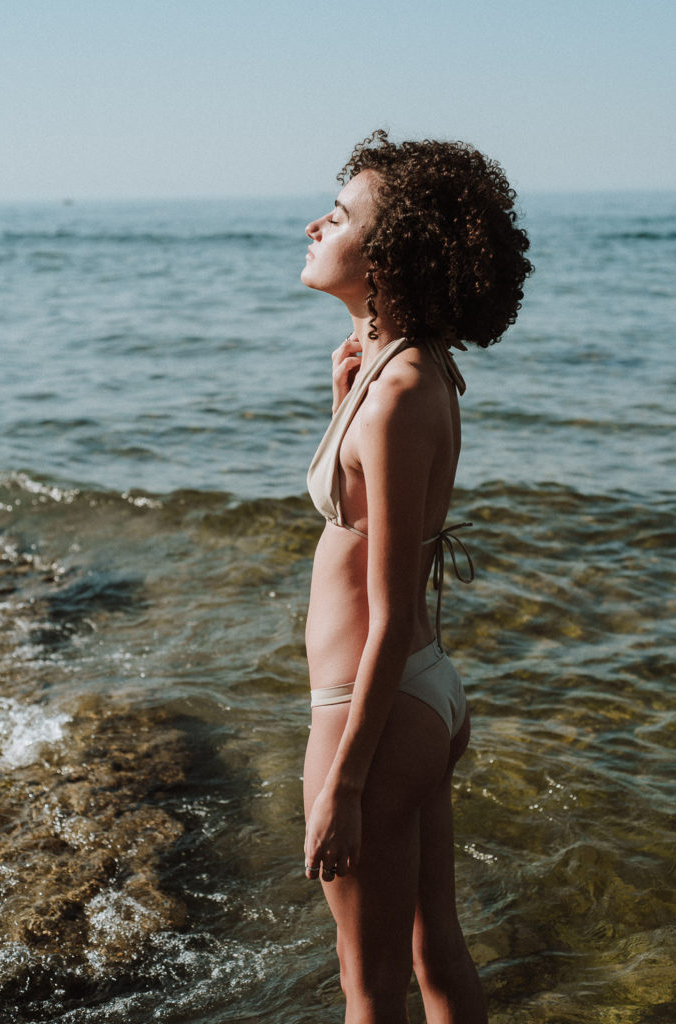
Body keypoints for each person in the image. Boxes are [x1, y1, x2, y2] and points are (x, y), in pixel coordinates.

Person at [301, 130, 532, 1024]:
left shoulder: (397, 391)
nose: (318, 222)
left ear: (391, 254)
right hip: (417, 696)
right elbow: (371, 520)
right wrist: (339, 399)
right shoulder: (404, 365)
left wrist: (345, 786)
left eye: (342, 214)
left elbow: (390, 612)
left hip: (372, 699)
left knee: (369, 989)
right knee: (436, 946)